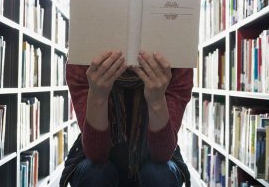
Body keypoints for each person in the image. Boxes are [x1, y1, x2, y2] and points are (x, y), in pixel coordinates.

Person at [59, 49, 193, 187]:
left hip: (156, 158)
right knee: (96, 173)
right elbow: (96, 155)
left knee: (159, 174)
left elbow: (161, 155)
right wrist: (98, 96)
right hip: (96, 161)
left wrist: (157, 100)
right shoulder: (82, 60)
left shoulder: (178, 63)